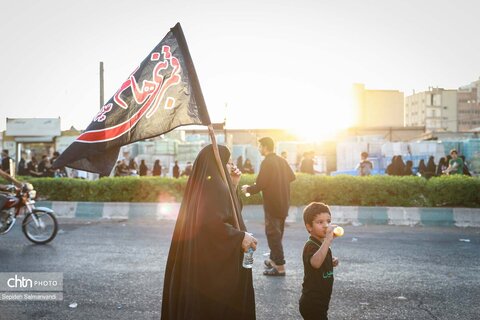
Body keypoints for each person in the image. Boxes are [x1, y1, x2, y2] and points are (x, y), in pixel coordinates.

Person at [161, 144, 257, 320]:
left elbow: (229, 213)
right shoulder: (215, 187)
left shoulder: (209, 185)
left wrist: (233, 186)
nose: (232, 167)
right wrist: (240, 237)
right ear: (216, 163)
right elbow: (211, 225)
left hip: (200, 263)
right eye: (228, 163)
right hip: (212, 269)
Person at [241, 137, 296, 276]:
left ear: (265, 147)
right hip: (284, 203)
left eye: (260, 146)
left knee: (273, 235)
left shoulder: (267, 162)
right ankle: (273, 260)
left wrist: (248, 189)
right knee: (278, 233)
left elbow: (260, 184)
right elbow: (292, 177)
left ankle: (280, 267)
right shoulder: (282, 161)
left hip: (272, 204)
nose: (259, 148)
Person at [299, 202, 339, 320]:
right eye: (320, 222)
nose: (326, 225)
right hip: (312, 302)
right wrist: (327, 240)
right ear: (309, 227)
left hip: (322, 301)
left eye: (328, 221)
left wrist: (330, 261)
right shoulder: (310, 245)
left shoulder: (323, 246)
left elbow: (321, 259)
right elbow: (315, 263)